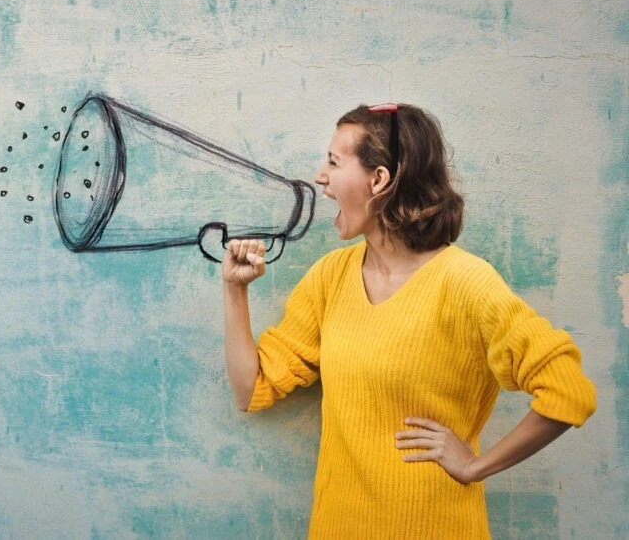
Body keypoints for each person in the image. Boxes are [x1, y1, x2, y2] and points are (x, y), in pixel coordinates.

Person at [222, 103, 596, 539]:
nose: (320, 178)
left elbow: (568, 393)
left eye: (333, 162)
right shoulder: (330, 276)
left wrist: (475, 466)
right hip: (339, 525)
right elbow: (251, 389)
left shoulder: (466, 282)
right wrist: (235, 290)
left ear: (379, 179)